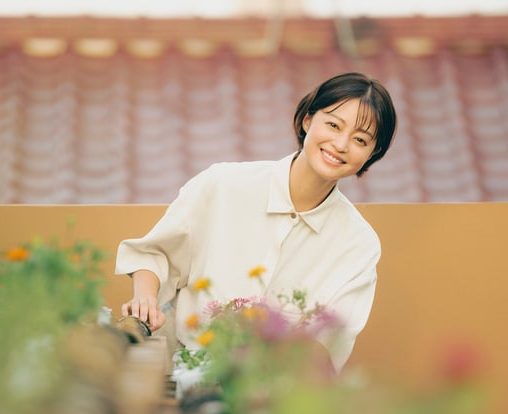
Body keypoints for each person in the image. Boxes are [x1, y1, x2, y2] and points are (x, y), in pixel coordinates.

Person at [115, 71, 397, 372]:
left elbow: (328, 344)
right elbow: (156, 254)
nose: (341, 144)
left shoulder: (359, 244)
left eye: (360, 140)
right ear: (307, 120)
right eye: (332, 125)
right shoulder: (223, 184)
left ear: (372, 153)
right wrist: (145, 298)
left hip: (272, 390)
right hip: (181, 372)